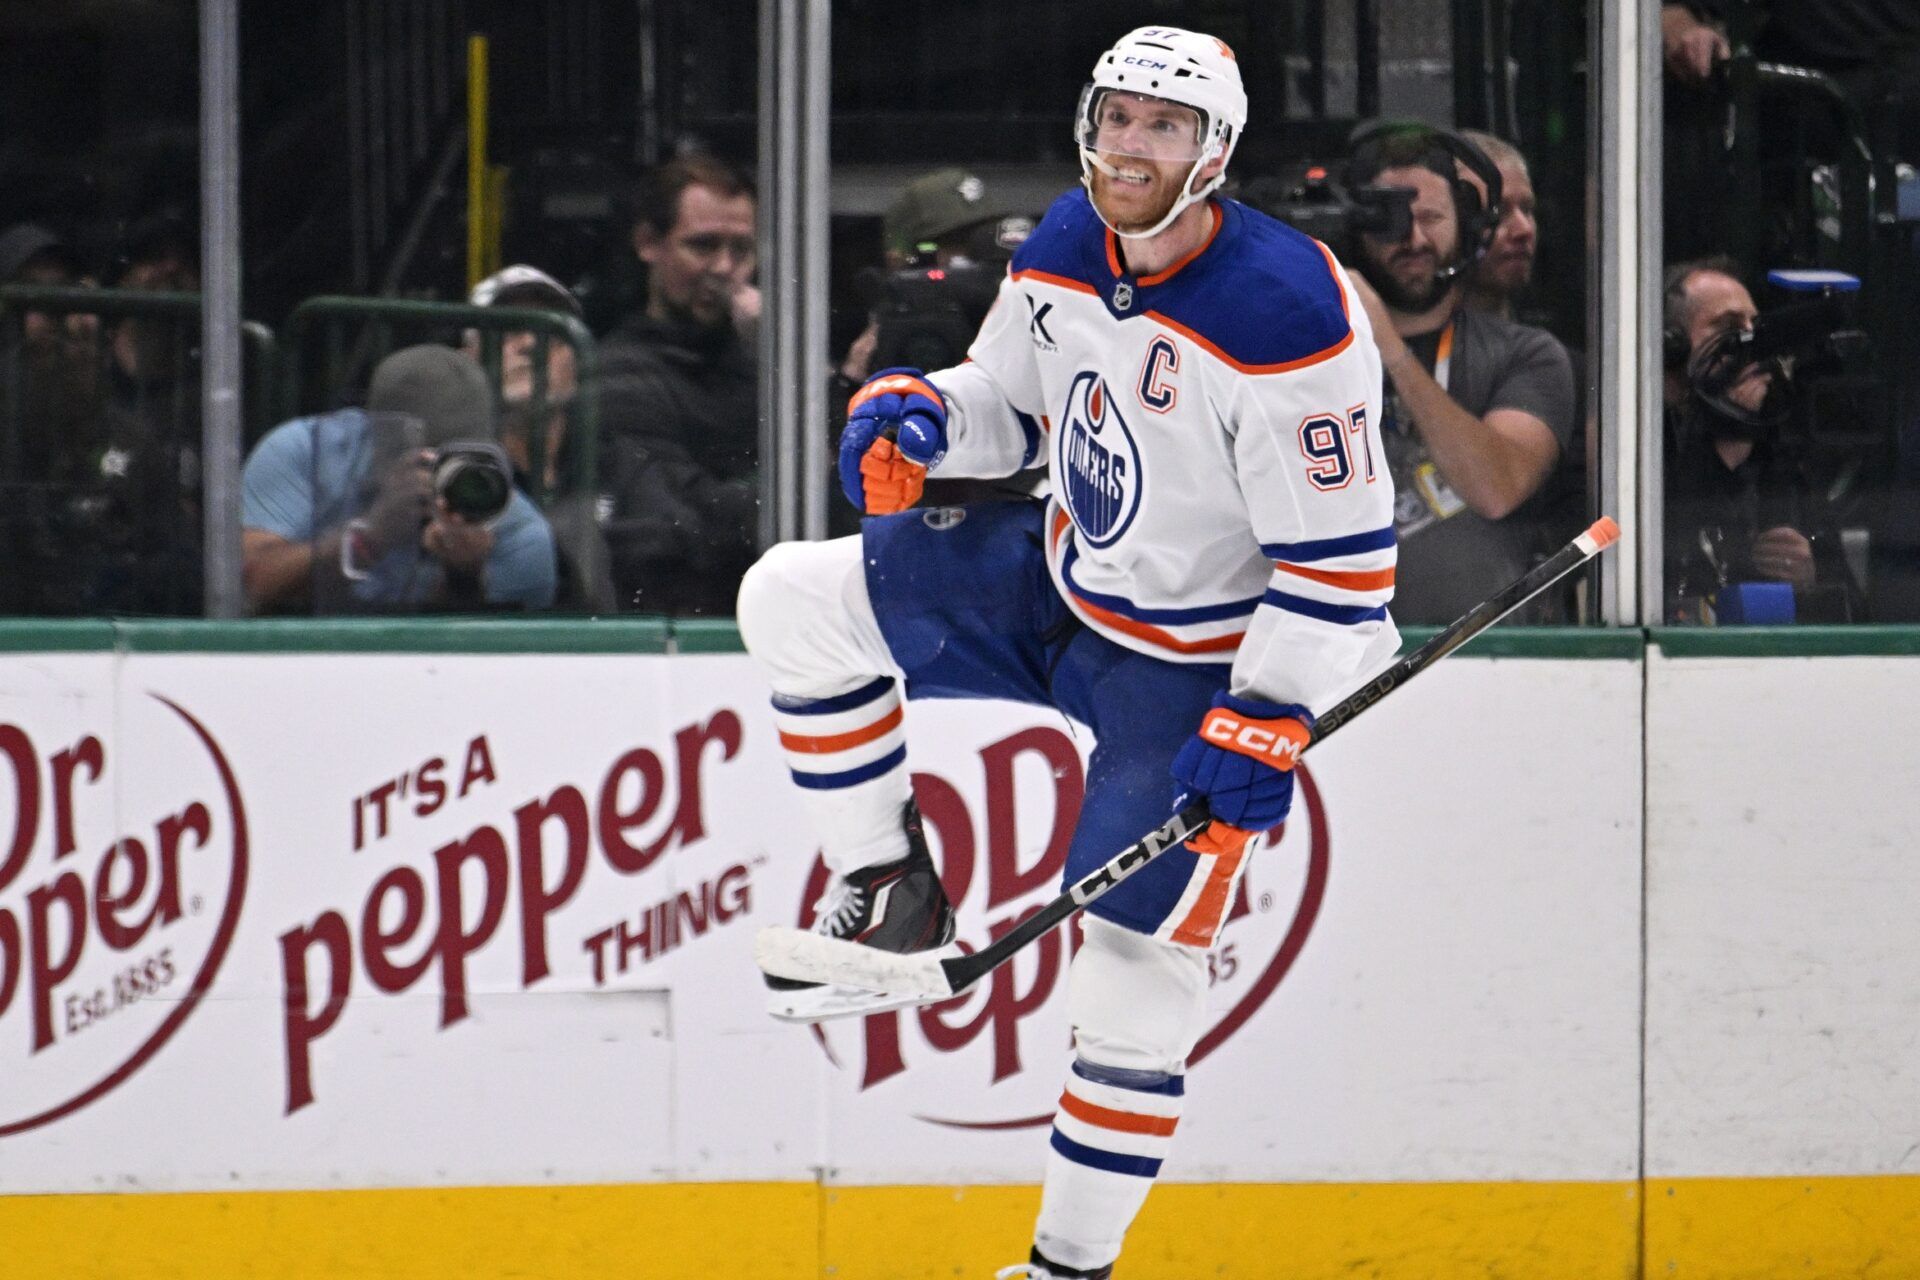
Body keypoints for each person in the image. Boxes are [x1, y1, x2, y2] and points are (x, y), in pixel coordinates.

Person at [737, 27, 1394, 1279]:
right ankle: (893, 894)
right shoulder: (1063, 241)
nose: (1131, 145)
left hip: (1190, 670)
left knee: (1136, 971)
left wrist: (1271, 709)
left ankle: (1066, 1267)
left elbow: (1347, 566)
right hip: (1062, 584)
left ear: (1216, 151)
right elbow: (1009, 403)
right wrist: (926, 416)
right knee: (793, 599)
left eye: (1166, 125)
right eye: (1118, 116)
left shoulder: (1288, 310)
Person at [1341, 123, 1576, 624]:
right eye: (1390, 220)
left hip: (1489, 654)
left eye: (1431, 217)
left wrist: (1390, 348)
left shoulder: (1527, 355)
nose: (1414, 238)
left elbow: (1497, 487)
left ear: (1468, 226)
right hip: (1343, 652)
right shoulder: (1310, 350)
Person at [242, 344, 557, 613]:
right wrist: (370, 535)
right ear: (373, 436)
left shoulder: (518, 532)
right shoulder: (306, 451)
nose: (439, 479)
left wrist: (465, 577)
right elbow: (251, 585)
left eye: (455, 460)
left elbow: (491, 655)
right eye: (425, 461)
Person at [597, 152, 759, 614]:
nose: (724, 268)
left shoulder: (761, 366)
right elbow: (675, 524)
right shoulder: (618, 375)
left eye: (741, 250)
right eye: (703, 246)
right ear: (649, 243)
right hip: (678, 627)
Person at [1661, 257, 1855, 622]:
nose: (1752, 345)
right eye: (1728, 328)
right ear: (1674, 346)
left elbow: (1854, 616)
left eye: (1755, 328)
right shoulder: (1645, 454)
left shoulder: (1783, 466)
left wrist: (1809, 581)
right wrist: (1724, 454)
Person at [464, 264, 616, 612]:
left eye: (552, 331)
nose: (532, 344)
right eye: (508, 329)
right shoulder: (457, 471)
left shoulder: (615, 461)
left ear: (578, 362)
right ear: (468, 356)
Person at [1457, 131, 1538, 323]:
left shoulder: (1538, 342)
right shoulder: (1390, 339)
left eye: (1527, 209)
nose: (1524, 229)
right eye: (1498, 212)